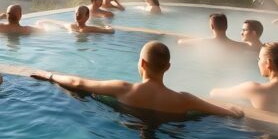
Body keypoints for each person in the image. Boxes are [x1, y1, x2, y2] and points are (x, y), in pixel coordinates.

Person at [31, 41, 241, 117]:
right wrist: (232, 110)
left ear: (141, 64)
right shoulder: (185, 100)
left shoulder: (124, 89)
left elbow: (78, 84)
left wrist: (49, 75)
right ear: (168, 67)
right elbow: (224, 113)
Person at [177, 13, 249, 50]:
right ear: (226, 26)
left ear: (212, 27)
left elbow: (180, 42)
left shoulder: (204, 42)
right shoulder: (241, 46)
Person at [37, 5, 115, 34]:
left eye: (78, 14)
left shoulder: (70, 26)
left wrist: (44, 21)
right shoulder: (88, 29)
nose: (78, 15)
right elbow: (110, 32)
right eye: (78, 13)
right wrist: (108, 27)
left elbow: (58, 24)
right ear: (87, 16)